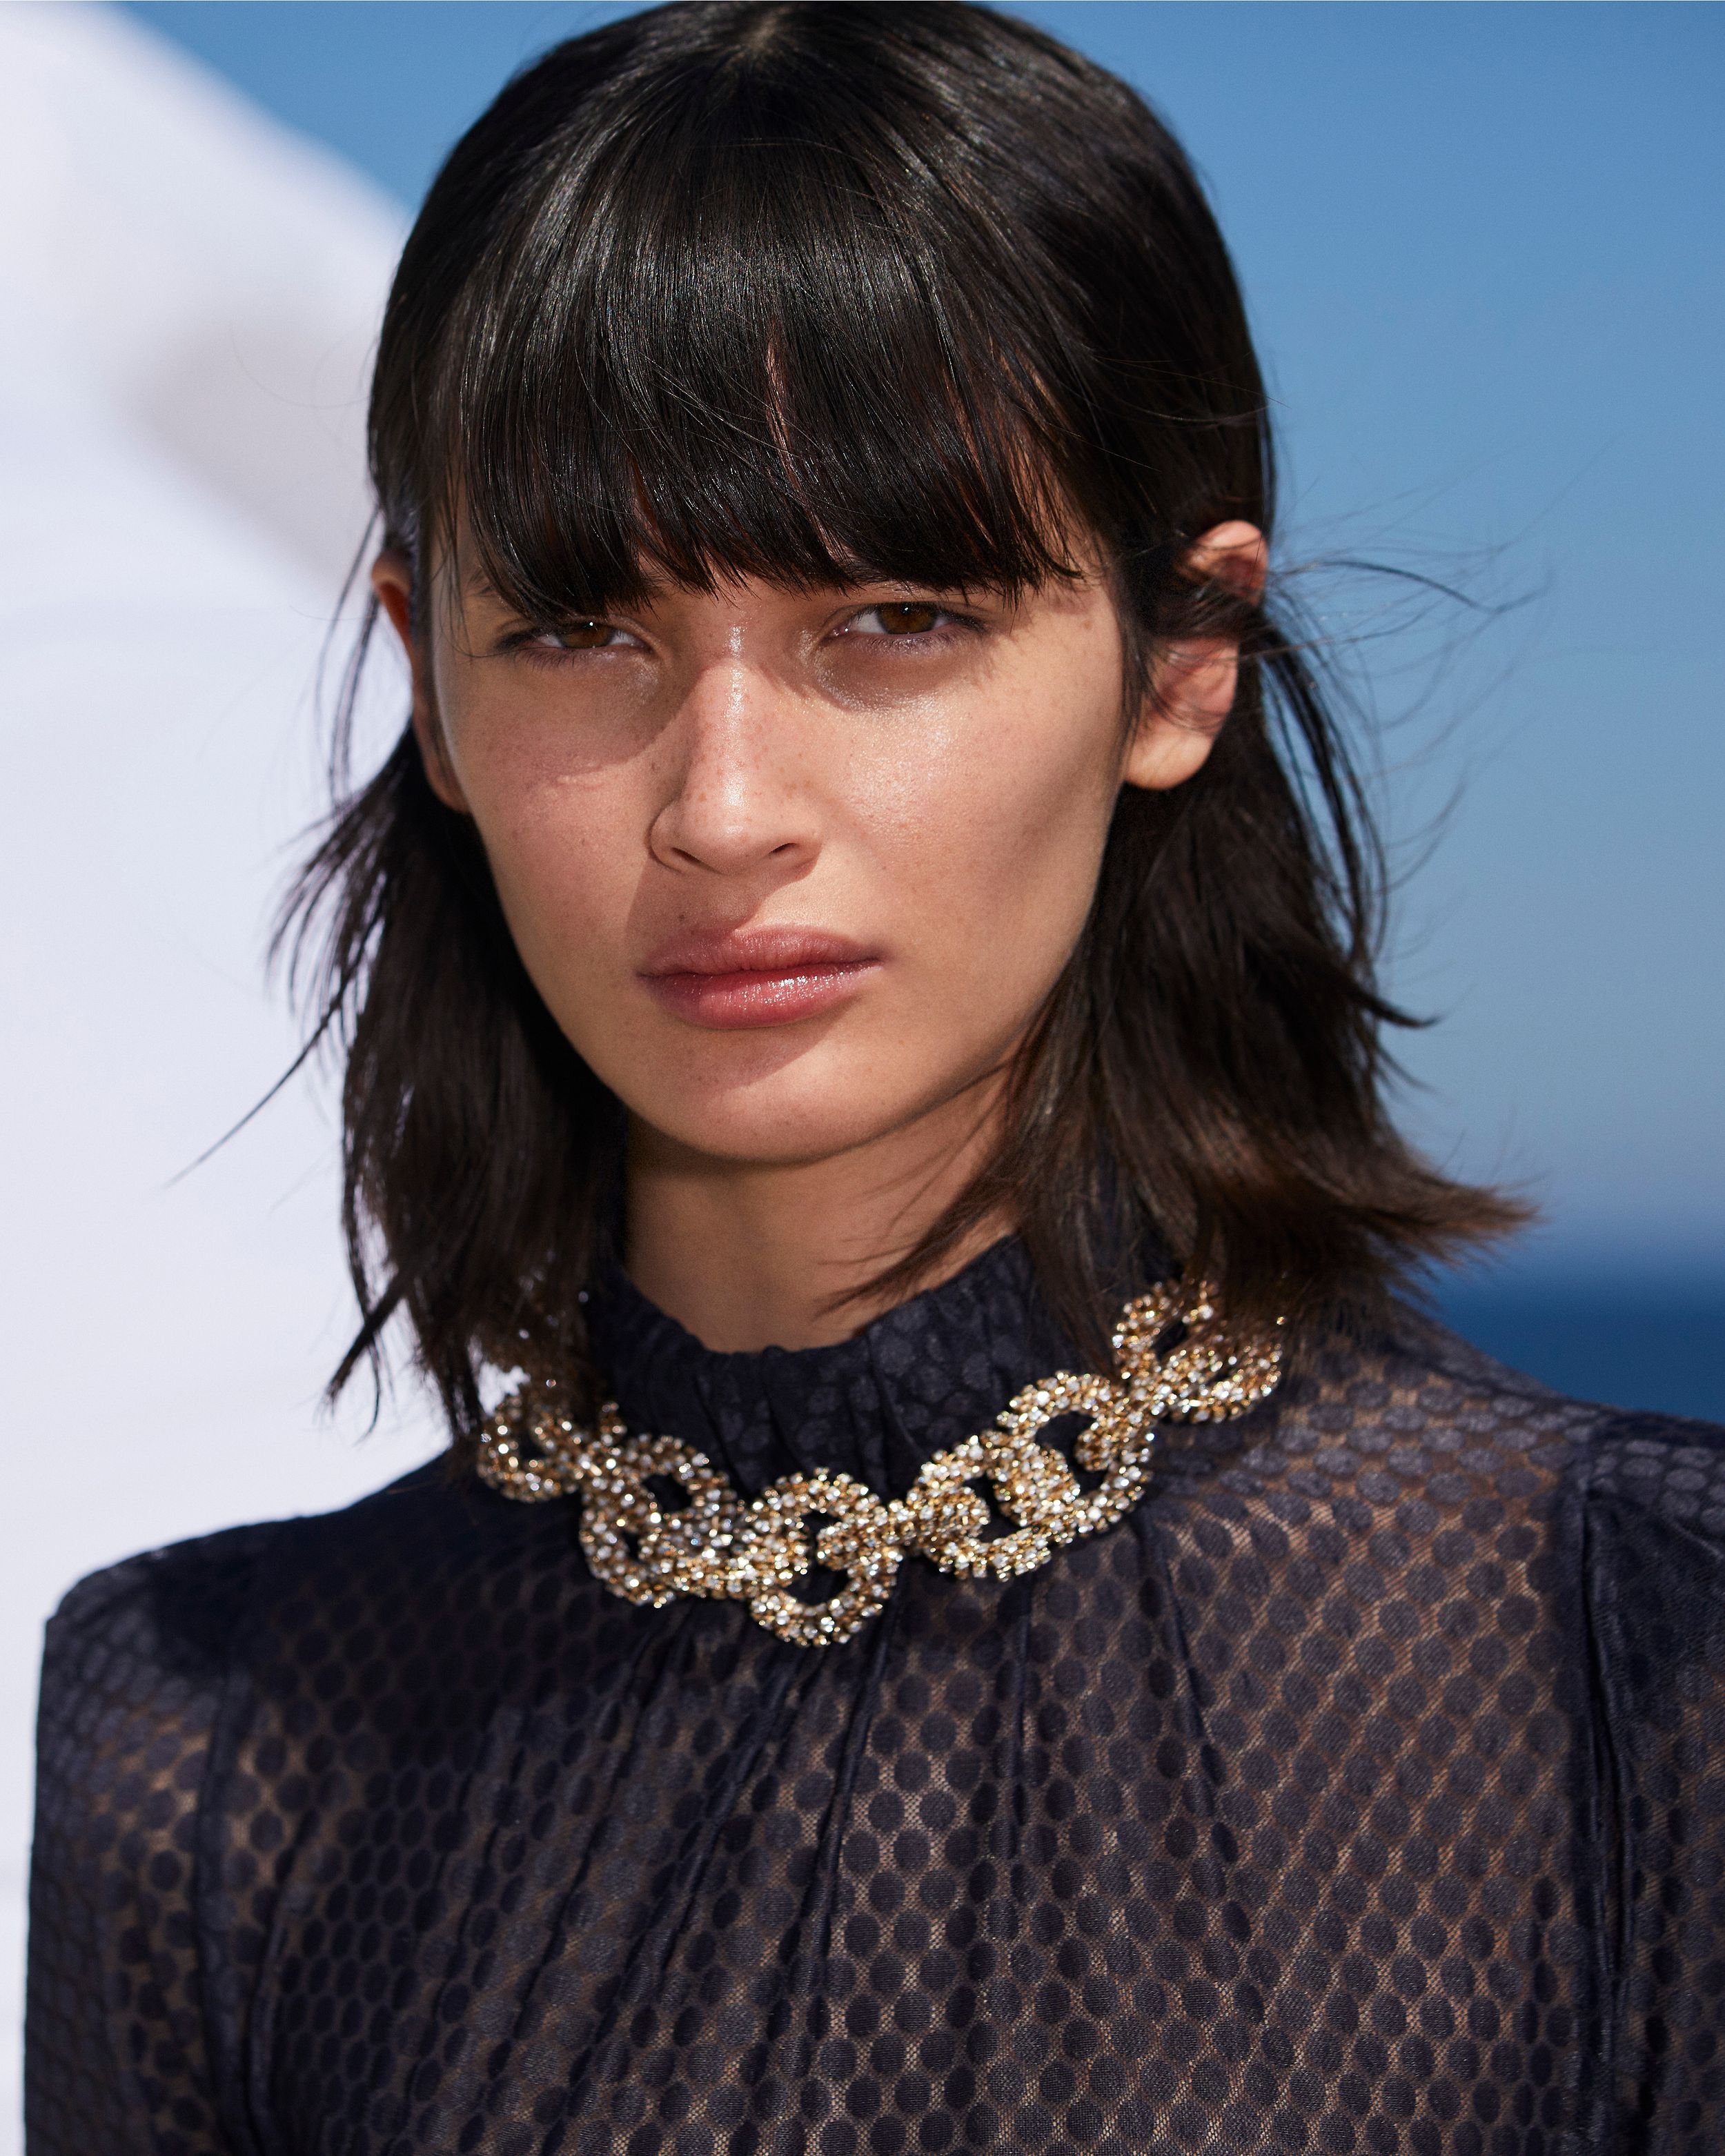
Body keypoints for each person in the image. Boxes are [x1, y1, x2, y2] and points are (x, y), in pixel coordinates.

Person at [25, 5, 1725, 2150]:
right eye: (576, 627)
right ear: (421, 683)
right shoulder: (203, 1738)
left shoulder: (1629, 1652)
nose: (724, 806)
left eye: (894, 619)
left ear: (1179, 655)